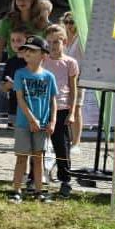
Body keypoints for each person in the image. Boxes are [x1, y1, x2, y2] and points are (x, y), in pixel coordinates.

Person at [9, 36, 57, 204]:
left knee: (39, 158)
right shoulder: (20, 73)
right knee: (21, 157)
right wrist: (31, 119)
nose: (28, 52)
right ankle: (16, 191)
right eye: (26, 49)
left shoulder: (49, 77)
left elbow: (53, 101)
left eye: (33, 50)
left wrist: (53, 121)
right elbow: (20, 99)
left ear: (43, 55)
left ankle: (39, 192)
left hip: (43, 125)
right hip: (24, 124)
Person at [42, 24, 80, 197]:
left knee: (62, 146)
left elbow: (73, 89)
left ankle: (65, 179)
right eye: (49, 42)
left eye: (56, 42)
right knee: (38, 144)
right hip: (43, 108)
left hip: (63, 108)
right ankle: (34, 177)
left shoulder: (70, 63)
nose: (52, 46)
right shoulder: (42, 60)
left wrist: (72, 112)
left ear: (64, 42)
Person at [0, 0, 50, 75]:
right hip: (14, 68)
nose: (21, 1)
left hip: (38, 70)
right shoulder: (7, 21)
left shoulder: (42, 22)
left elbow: (48, 51)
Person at [62, 11, 87, 151]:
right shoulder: (62, 38)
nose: (69, 25)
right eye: (67, 22)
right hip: (62, 76)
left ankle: (76, 143)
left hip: (78, 76)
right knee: (61, 108)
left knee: (76, 108)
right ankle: (65, 139)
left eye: (72, 22)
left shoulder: (81, 38)